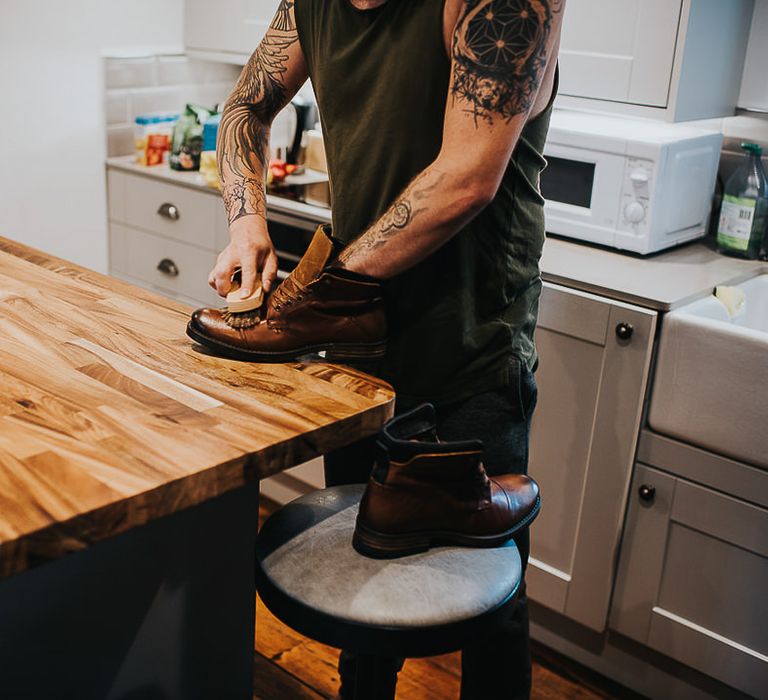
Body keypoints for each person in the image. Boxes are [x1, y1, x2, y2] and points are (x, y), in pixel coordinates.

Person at [207, 1, 564, 697]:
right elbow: (244, 108)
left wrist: (317, 302)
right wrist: (247, 220)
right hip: (357, 345)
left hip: (471, 340)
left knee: (489, 598)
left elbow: (466, 176)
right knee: (363, 567)